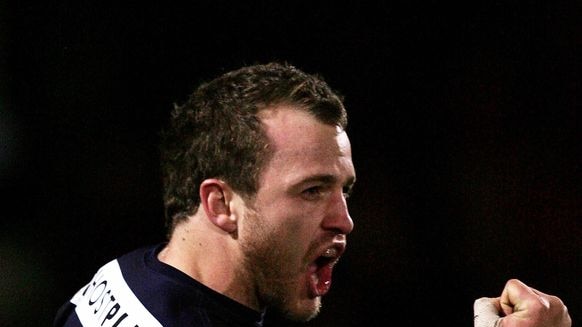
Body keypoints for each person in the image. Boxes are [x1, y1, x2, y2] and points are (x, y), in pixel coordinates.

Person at [53, 62, 571, 327]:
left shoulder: (131, 276)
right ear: (220, 204)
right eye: (311, 190)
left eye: (343, 189)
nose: (343, 220)